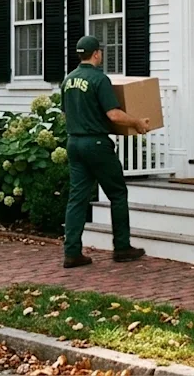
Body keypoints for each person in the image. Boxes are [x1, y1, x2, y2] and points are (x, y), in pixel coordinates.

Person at [60, 35, 149, 268]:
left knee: (77, 199)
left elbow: (65, 114)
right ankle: (122, 247)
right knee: (117, 193)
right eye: (100, 51)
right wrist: (137, 122)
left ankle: (72, 252)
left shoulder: (68, 80)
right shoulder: (99, 79)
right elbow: (114, 114)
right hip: (96, 144)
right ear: (96, 54)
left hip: (74, 143)